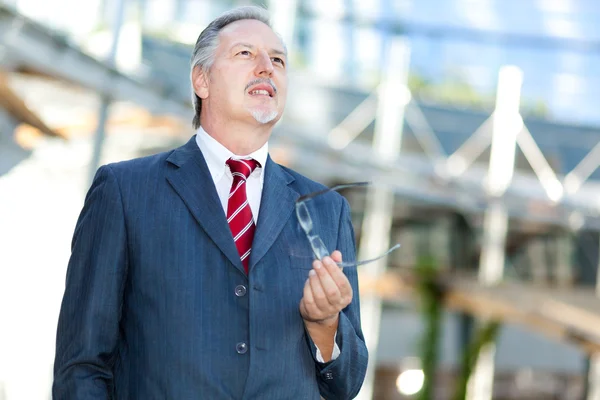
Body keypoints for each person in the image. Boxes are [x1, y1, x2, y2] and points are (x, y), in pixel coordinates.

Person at [53, 5, 368, 399]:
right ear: (202, 80)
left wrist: (325, 324)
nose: (266, 67)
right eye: (245, 54)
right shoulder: (124, 190)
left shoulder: (327, 209)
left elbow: (347, 384)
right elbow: (81, 367)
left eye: (278, 60)